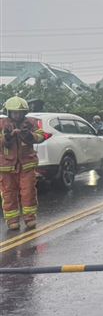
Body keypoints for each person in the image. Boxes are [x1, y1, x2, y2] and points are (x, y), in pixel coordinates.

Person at [0, 97, 45, 230]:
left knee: (29, 192)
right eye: (14, 112)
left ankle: (30, 218)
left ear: (24, 112)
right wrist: (6, 138)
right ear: (8, 112)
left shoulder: (31, 122)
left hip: (26, 165)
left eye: (20, 112)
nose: (17, 115)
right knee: (8, 194)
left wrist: (30, 135)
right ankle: (12, 220)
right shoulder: (2, 124)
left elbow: (41, 136)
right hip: (6, 167)